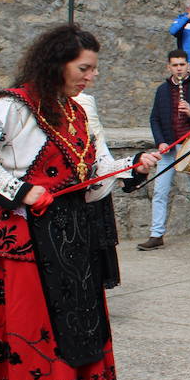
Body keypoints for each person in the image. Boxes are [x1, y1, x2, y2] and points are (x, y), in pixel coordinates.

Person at [0, 24, 159, 380]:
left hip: (72, 238)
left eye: (94, 68)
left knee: (70, 330)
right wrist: (20, 190)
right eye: (85, 67)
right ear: (57, 62)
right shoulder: (12, 108)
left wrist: (133, 168)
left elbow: (95, 178)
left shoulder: (77, 113)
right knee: (35, 333)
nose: (91, 76)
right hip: (25, 243)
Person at [138, 49, 190, 251]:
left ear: (188, 65)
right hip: (169, 147)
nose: (179, 68)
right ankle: (157, 235)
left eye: (182, 64)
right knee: (160, 192)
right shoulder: (162, 90)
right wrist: (160, 142)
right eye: (175, 65)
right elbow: (154, 118)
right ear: (169, 67)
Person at [75, 84, 121, 289]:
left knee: (96, 239)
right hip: (75, 186)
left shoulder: (86, 101)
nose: (93, 76)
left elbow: (98, 142)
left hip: (94, 180)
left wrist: (123, 170)